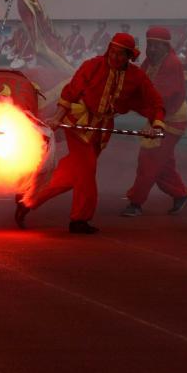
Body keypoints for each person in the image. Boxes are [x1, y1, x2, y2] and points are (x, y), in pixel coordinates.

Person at [15, 33, 165, 234]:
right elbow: (70, 92)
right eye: (112, 52)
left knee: (73, 173)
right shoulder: (92, 66)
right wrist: (57, 118)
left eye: (121, 54)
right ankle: (79, 219)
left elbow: (154, 101)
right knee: (87, 170)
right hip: (78, 123)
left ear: (129, 56)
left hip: (101, 130)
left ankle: (28, 197)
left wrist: (156, 125)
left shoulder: (136, 77)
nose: (115, 57)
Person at [121, 27, 187, 216]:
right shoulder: (151, 61)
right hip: (158, 115)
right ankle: (180, 193)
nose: (151, 49)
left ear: (166, 46)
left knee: (149, 160)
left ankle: (136, 203)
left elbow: (160, 97)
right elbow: (138, 82)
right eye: (150, 45)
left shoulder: (172, 63)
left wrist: (130, 104)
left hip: (170, 119)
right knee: (163, 163)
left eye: (156, 45)